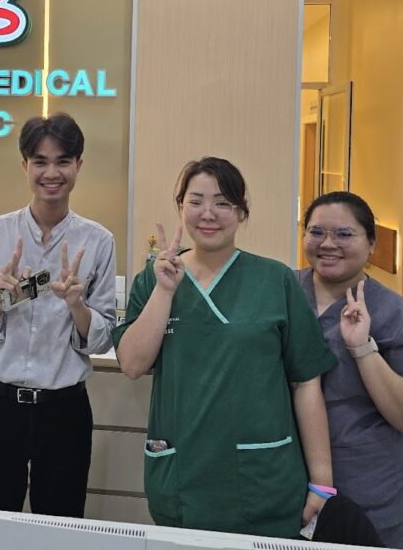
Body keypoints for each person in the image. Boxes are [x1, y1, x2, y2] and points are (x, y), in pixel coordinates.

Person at [114, 157, 336, 539]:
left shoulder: (275, 280)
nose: (208, 213)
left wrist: (322, 481)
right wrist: (165, 292)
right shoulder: (154, 281)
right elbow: (132, 364)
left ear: (241, 211)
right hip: (182, 479)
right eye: (196, 201)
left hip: (264, 480)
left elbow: (305, 383)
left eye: (223, 203)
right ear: (181, 206)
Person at [0, 112, 117, 519]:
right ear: (25, 164)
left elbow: (102, 338)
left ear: (78, 165)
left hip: (64, 411)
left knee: (59, 530)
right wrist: (0, 301)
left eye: (63, 161)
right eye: (40, 161)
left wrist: (77, 305)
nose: (51, 173)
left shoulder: (98, 241)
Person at [299, 191, 403, 550]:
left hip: (374, 493)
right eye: (316, 232)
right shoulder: (283, 293)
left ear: (372, 243)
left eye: (344, 234)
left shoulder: (398, 317)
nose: (328, 244)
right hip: (293, 487)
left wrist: (362, 348)